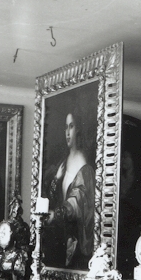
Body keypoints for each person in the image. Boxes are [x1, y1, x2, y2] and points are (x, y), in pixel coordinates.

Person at [44, 111, 95, 269]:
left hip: (76, 237)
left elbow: (79, 199)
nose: (67, 132)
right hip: (62, 233)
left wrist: (57, 214)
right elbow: (55, 196)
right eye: (65, 127)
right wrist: (56, 179)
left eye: (71, 126)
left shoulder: (83, 162)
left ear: (78, 129)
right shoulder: (63, 161)